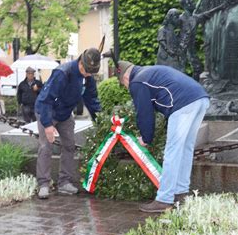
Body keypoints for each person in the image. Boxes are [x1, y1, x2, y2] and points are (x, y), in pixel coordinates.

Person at [117, 61, 210, 213]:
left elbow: (145, 113)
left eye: (124, 85)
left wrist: (146, 138)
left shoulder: (137, 82)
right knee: (185, 149)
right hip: (200, 98)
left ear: (125, 78)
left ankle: (164, 199)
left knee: (173, 151)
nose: (127, 88)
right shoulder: (148, 72)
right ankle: (181, 193)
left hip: (183, 103)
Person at [35, 48, 102, 199]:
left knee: (70, 145)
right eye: (86, 70)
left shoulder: (88, 76)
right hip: (48, 111)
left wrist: (100, 119)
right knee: (46, 146)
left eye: (91, 72)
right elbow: (46, 99)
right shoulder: (63, 73)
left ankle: (64, 182)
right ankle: (43, 184)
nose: (88, 74)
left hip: (65, 114)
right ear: (80, 62)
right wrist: (47, 125)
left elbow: (91, 99)